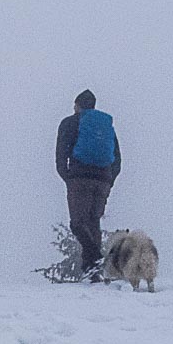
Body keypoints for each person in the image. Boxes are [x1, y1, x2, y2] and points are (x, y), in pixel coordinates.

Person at [56, 89, 121, 280]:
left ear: (77, 105)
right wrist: (109, 180)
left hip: (79, 178)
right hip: (103, 180)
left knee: (77, 223)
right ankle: (92, 272)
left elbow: (61, 153)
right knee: (93, 223)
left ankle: (97, 259)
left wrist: (67, 177)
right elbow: (117, 158)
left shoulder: (70, 122)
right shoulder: (106, 126)